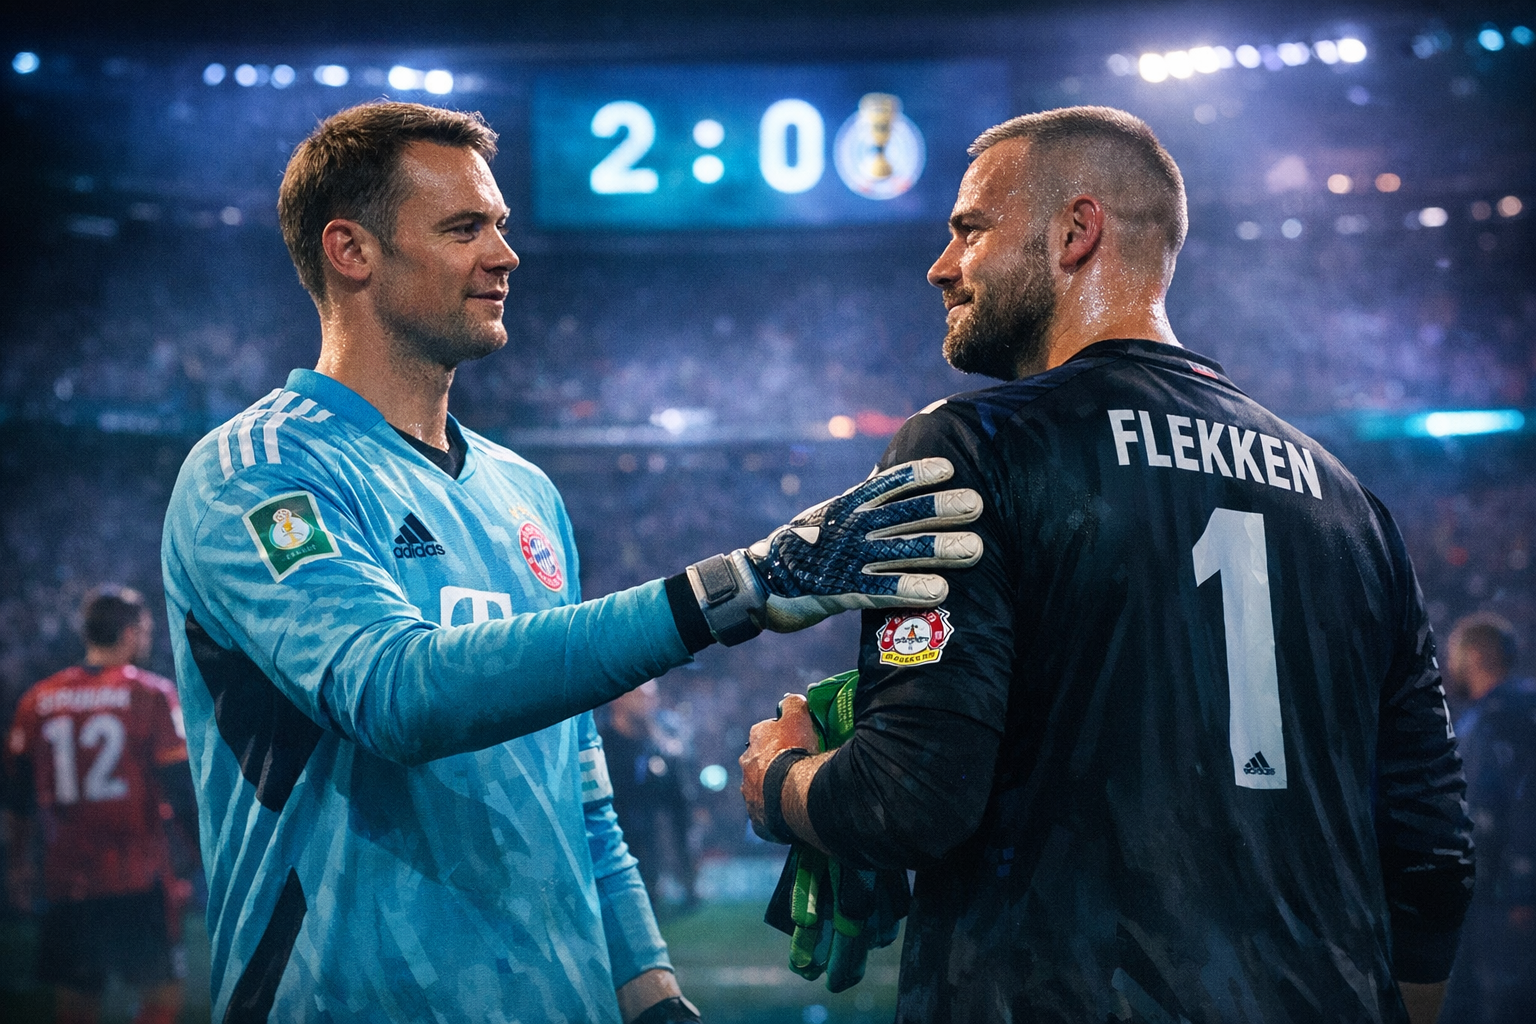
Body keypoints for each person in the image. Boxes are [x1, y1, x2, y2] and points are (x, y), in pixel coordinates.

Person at [159, 100, 982, 1024]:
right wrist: (731, 589)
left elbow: (578, 787)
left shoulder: (526, 493)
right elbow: (389, 691)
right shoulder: (261, 469)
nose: (505, 255)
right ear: (351, 250)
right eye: (465, 227)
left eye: (500, 226)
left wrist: (649, 986)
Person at [740, 106, 1475, 1024]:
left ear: (1076, 231)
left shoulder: (972, 445)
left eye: (969, 228)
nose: (940, 264)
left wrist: (781, 778)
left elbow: (909, 800)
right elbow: (1432, 855)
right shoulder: (1351, 502)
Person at [2, 586, 198, 1024]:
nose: (148, 639)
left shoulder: (37, 700)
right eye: (145, 630)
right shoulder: (150, 694)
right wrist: (203, 854)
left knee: (76, 1004)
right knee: (163, 993)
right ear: (129, 633)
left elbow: (17, 800)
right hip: (136, 874)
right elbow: (180, 790)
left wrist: (17, 865)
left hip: (66, 878)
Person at [1440, 613, 1535, 1022]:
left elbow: (1524, 803)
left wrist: (1523, 887)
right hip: (1490, 892)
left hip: (1504, 895)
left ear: (1475, 655)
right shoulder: (1488, 715)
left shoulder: (1503, 718)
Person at [602, 681, 698, 915]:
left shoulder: (659, 746)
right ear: (618, 700)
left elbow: (679, 804)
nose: (649, 703)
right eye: (641, 696)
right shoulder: (602, 745)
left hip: (651, 850)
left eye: (652, 697)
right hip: (615, 849)